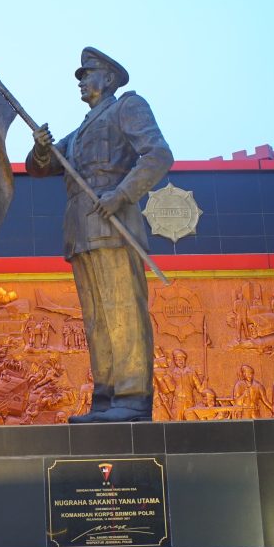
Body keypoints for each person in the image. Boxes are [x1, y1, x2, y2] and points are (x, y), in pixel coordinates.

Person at [27, 47, 173, 422]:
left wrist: (122, 194)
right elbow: (41, 168)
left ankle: (132, 397)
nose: (81, 80)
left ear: (108, 78)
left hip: (114, 226)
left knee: (122, 312)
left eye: (87, 73)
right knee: (97, 320)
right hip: (81, 232)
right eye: (80, 75)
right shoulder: (77, 134)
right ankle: (106, 398)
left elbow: (158, 155)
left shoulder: (127, 107)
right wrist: (41, 149)